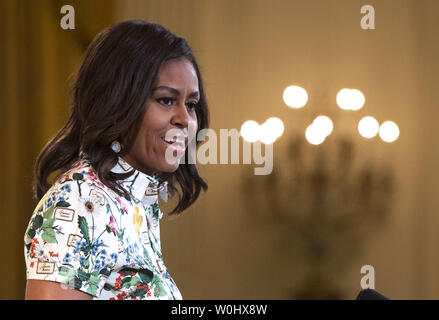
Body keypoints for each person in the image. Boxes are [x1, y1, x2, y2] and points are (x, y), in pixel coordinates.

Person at [24, 20, 209, 300]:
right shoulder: (79, 201)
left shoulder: (133, 201)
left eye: (191, 105)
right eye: (166, 100)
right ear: (118, 100)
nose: (185, 119)